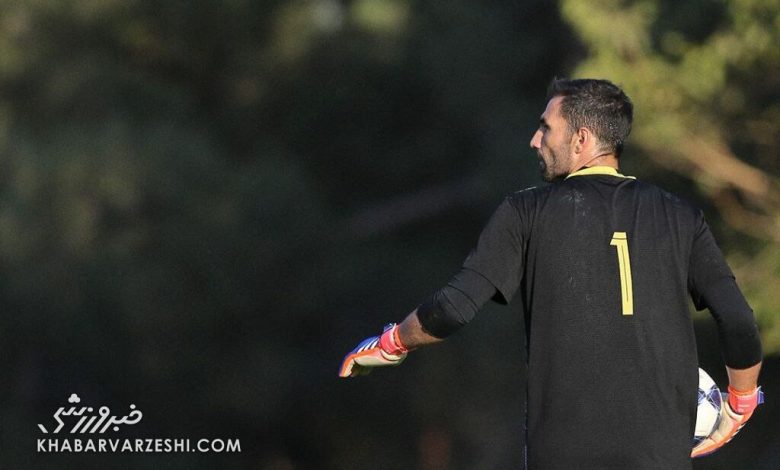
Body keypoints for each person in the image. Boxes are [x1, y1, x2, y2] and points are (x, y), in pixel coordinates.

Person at [338, 78, 763, 469]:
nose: (534, 140)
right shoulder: (681, 215)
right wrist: (739, 405)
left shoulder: (526, 211)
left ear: (581, 139)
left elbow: (452, 309)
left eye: (545, 128)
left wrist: (391, 343)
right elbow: (739, 322)